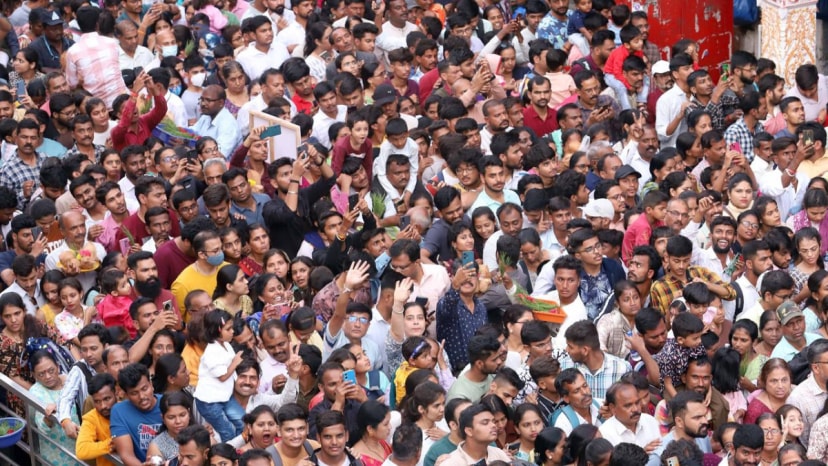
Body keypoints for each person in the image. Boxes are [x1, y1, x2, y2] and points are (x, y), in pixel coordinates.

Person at [110, 363, 163, 465]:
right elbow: (126, 455)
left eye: (144, 389)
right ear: (126, 395)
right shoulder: (119, 411)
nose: (142, 396)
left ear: (151, 385)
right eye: (134, 393)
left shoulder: (168, 403)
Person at [76, 373, 119, 466]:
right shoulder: (91, 418)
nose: (103, 406)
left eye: (107, 399)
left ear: (116, 393)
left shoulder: (128, 409)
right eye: (97, 401)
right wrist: (111, 444)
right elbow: (81, 450)